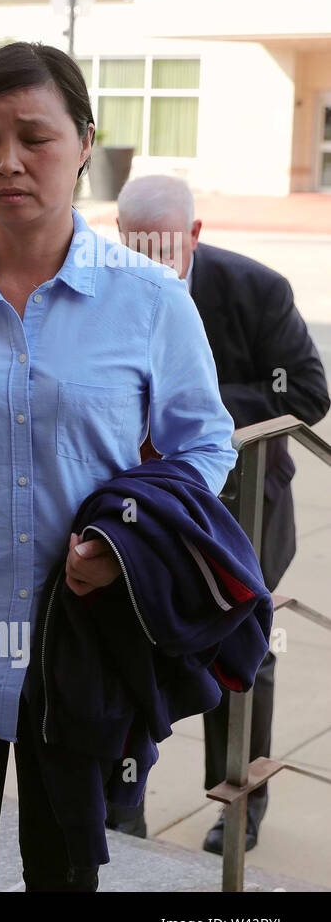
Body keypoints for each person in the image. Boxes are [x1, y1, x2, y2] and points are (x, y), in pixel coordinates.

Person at [0, 42, 236, 891]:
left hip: (80, 650)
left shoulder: (151, 300)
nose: (7, 160)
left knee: (63, 877)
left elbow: (206, 443)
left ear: (86, 142)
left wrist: (131, 546)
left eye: (36, 137)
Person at [109, 175, 330, 851]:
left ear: (196, 236)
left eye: (164, 251)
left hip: (245, 506)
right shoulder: (104, 287)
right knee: (129, 645)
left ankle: (238, 805)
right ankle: (124, 809)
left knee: (243, 649)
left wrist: (193, 408)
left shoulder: (256, 289)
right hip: (144, 508)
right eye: (133, 249)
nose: (148, 267)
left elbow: (309, 393)